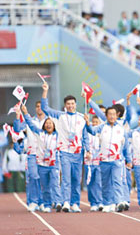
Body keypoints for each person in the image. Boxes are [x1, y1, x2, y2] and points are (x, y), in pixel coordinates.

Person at [41, 82, 89, 213]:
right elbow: (45, 108)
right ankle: (66, 202)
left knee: (76, 179)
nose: (70, 106)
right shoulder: (60, 115)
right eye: (68, 104)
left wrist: (88, 150)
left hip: (78, 153)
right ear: (65, 106)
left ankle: (75, 203)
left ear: (75, 104)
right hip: (64, 152)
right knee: (66, 177)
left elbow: (85, 136)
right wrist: (45, 91)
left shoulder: (81, 118)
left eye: (72, 103)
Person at [85, 107, 129, 213]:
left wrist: (129, 159)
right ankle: (107, 203)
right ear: (106, 116)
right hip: (104, 160)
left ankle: (119, 202)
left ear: (117, 116)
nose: (112, 116)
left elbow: (126, 145)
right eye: (110, 114)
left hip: (117, 160)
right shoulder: (102, 127)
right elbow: (91, 130)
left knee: (117, 181)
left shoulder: (121, 129)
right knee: (105, 183)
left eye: (114, 114)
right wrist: (87, 123)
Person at [19, 105, 62, 213]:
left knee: (55, 183)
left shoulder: (58, 135)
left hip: (53, 164)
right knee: (45, 186)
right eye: (46, 123)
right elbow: (30, 124)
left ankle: (57, 202)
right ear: (44, 126)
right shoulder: (39, 133)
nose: (48, 125)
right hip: (42, 164)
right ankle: (47, 204)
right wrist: (25, 112)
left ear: (54, 125)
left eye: (50, 123)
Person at [13, 101, 46, 212]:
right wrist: (18, 115)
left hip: (45, 154)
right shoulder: (29, 120)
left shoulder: (49, 121)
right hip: (32, 153)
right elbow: (17, 129)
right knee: (33, 176)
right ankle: (33, 201)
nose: (39, 108)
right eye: (37, 106)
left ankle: (43, 202)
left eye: (41, 106)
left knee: (43, 179)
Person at [84, 115, 103, 212]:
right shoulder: (87, 133)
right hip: (89, 162)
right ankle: (93, 203)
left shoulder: (101, 134)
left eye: (97, 122)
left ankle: (100, 201)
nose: (95, 124)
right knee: (90, 183)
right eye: (93, 122)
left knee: (99, 182)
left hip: (99, 162)